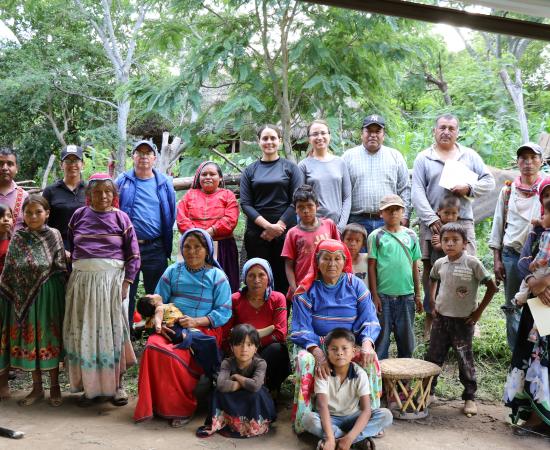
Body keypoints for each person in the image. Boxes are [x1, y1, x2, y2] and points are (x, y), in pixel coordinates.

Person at [133, 228, 232, 427]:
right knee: (153, 346)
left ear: (207, 250)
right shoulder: (172, 271)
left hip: (202, 329)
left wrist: (196, 321)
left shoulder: (218, 277)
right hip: (171, 326)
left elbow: (223, 311)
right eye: (187, 246)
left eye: (198, 247)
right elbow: (158, 302)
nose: (192, 251)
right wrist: (162, 324)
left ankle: (182, 407)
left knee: (175, 355)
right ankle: (156, 404)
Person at [412, 113, 495, 347]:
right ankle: (431, 318)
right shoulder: (423, 158)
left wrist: (469, 187)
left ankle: (469, 320)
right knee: (431, 271)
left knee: (467, 270)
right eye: (442, 127)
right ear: (434, 131)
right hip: (433, 223)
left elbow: (489, 182)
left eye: (451, 128)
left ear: (457, 132)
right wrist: (430, 219)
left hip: (463, 222)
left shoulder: (469, 156)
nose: (446, 131)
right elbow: (417, 191)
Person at [290, 239, 381, 434]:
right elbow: (300, 329)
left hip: (347, 345)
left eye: (337, 259)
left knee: (370, 358)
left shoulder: (355, 285)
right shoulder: (306, 290)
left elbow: (370, 319)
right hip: (316, 345)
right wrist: (318, 354)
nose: (332, 264)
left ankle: (369, 415)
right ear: (317, 261)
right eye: (326, 259)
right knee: (305, 361)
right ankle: (304, 418)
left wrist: (366, 343)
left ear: (344, 260)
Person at [63, 173, 139, 406]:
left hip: (111, 285)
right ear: (89, 195)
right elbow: (69, 246)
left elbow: (134, 255)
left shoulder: (122, 219)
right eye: (97, 192)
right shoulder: (78, 216)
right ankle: (90, 387)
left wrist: (127, 283)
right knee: (85, 333)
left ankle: (117, 386)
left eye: (108, 191)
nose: (103, 196)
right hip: (82, 284)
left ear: (114, 195)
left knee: (113, 333)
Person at [0, 195, 67, 407]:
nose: (33, 216)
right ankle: (37, 388)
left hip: (49, 296)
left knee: (49, 338)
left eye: (38, 212)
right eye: (28, 213)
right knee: (32, 341)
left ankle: (55, 386)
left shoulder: (54, 235)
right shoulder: (18, 237)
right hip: (23, 298)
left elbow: (59, 267)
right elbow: (9, 270)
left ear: (47, 214)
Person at [426, 223, 498, 416]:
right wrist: (432, 300)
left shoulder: (473, 263)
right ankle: (429, 393)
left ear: (465, 243)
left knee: (464, 360)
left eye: (455, 240)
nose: (450, 244)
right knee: (433, 357)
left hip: (463, 322)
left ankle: (469, 398)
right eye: (445, 240)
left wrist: (478, 313)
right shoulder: (440, 263)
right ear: (440, 243)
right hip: (441, 320)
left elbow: (492, 287)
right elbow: (432, 278)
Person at [503, 178, 550, 435]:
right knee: (531, 355)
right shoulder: (537, 229)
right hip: (537, 306)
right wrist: (533, 282)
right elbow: (523, 261)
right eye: (546, 196)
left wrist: (546, 281)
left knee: (546, 358)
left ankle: (546, 419)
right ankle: (531, 415)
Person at [116, 140, 176, 330]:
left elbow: (170, 212)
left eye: (147, 153)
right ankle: (126, 334)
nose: (143, 156)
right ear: (133, 157)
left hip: (155, 246)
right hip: (129, 247)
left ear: (154, 158)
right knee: (127, 291)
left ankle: (155, 332)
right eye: (139, 153)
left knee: (156, 293)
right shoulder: (122, 181)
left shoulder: (164, 183)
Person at [490, 142, 544, 350]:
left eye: (533, 157)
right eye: (523, 158)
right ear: (518, 162)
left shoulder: (545, 189)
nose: (528, 162)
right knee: (513, 305)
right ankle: (517, 353)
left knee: (540, 303)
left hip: (539, 258)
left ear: (541, 161)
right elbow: (498, 224)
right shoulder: (508, 190)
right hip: (511, 255)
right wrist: (497, 259)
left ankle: (539, 353)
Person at [302, 328, 393, 450]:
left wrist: (349, 437)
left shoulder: (360, 374)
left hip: (353, 417)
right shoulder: (323, 373)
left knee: (386, 415)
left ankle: (344, 440)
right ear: (327, 352)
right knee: (308, 420)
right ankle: (355, 441)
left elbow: (366, 410)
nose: (339, 353)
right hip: (330, 419)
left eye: (344, 348)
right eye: (334, 349)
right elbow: (322, 407)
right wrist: (329, 437)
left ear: (353, 351)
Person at [240, 125, 304, 294]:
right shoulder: (250, 170)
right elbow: (246, 204)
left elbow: (296, 200)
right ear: (259, 142)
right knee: (258, 279)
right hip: (257, 233)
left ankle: (281, 317)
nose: (269, 142)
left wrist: (279, 227)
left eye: (273, 138)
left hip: (286, 233)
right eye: (265, 138)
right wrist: (268, 227)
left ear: (280, 141)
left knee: (283, 278)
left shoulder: (291, 168)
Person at [196, 324, 276, 439]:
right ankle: (228, 423)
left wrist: (237, 377)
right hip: (233, 395)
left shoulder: (260, 363)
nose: (244, 349)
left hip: (252, 396)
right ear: (232, 347)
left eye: (249, 344)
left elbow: (255, 386)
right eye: (239, 344)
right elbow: (222, 385)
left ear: (256, 348)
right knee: (218, 393)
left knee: (256, 394)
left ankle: (253, 425)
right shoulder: (227, 363)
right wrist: (243, 384)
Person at [368, 194, 422, 360]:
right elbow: (371, 267)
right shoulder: (376, 236)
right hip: (383, 297)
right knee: (381, 341)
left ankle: (404, 382)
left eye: (396, 209)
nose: (393, 213)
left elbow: (415, 266)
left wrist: (418, 295)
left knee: (406, 340)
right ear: (381, 213)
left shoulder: (411, 235)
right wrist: (375, 295)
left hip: (406, 296)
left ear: (403, 212)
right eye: (388, 210)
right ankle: (381, 381)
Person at [226, 258, 290, 397]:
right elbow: (229, 332)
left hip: (267, 349)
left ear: (269, 277)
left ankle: (268, 390)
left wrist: (252, 344)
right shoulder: (235, 299)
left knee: (277, 349)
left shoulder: (278, 298)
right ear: (244, 278)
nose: (256, 280)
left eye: (261, 275)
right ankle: (245, 389)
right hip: (241, 349)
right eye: (251, 275)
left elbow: (280, 333)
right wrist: (247, 346)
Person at [342, 115, 411, 235]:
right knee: (358, 255)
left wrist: (405, 216)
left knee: (388, 254)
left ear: (383, 135)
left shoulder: (395, 156)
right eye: (369, 131)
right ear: (361, 134)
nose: (373, 135)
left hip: (389, 220)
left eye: (377, 131)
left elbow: (404, 188)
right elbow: (341, 191)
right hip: (356, 221)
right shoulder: (348, 157)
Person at [176, 161, 239, 292]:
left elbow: (230, 220)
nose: (208, 177)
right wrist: (198, 234)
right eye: (204, 174)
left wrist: (209, 232)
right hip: (194, 245)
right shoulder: (189, 195)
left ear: (220, 178)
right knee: (194, 287)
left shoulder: (228, 195)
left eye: (212, 174)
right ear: (199, 178)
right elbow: (182, 219)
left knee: (222, 286)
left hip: (222, 247)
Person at [282, 185, 339, 300]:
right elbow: (288, 265)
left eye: (310, 206)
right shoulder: (292, 233)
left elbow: (340, 254)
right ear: (295, 209)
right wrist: (294, 288)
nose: (306, 211)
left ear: (317, 206)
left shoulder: (329, 225)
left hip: (328, 283)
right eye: (301, 207)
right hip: (303, 286)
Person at [298, 120, 351, 233]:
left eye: (323, 133)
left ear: (329, 136)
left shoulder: (340, 163)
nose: (320, 137)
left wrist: (341, 227)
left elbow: (347, 198)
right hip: (312, 226)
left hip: (337, 226)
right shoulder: (303, 165)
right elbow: (299, 199)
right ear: (309, 138)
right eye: (315, 134)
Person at [424, 194, 461, 338]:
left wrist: (442, 244)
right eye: (446, 213)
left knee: (450, 297)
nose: (450, 217)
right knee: (433, 295)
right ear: (438, 211)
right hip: (437, 271)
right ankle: (429, 323)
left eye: (453, 213)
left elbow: (461, 247)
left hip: (453, 271)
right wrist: (442, 245)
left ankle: (448, 328)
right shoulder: (436, 229)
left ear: (458, 214)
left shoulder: (458, 229)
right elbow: (436, 244)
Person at [42, 145, 86, 250]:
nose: (72, 165)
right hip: (57, 246)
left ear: (83, 164)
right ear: (61, 165)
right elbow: (43, 223)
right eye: (68, 161)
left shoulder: (90, 190)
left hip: (85, 246)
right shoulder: (50, 191)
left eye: (76, 160)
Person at [0, 147, 28, 230]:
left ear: (17, 169)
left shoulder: (24, 196)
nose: (5, 168)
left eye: (10, 164)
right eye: (0, 163)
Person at [342, 223, 369, 288]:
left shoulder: (367, 259)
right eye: (349, 239)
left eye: (357, 241)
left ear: (363, 243)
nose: (353, 244)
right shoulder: (338, 261)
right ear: (342, 240)